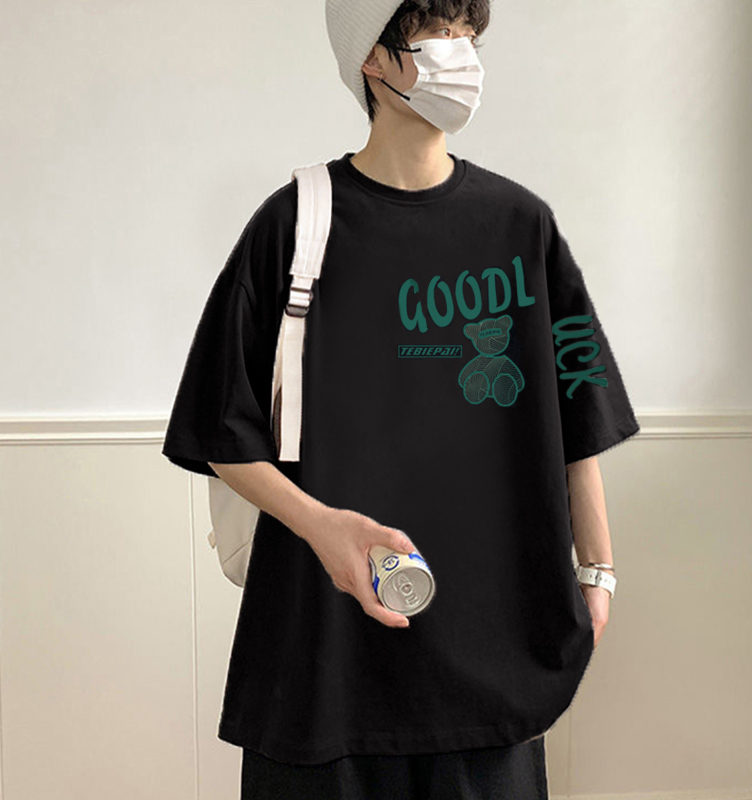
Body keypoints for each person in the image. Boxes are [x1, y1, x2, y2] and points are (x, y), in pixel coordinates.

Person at [162, 0, 640, 797]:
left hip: (491, 654)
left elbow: (578, 415)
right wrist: (324, 527)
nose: (463, 54)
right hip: (322, 659)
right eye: (436, 34)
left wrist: (600, 572)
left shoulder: (523, 228)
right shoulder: (295, 225)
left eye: (469, 34)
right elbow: (219, 429)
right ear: (373, 59)